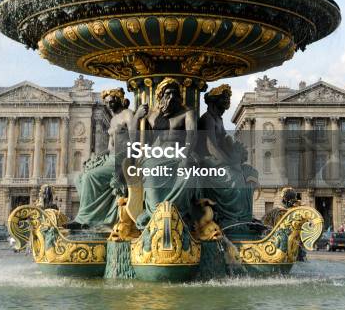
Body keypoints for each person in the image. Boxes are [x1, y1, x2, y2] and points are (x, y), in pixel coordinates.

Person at [74, 88, 147, 228]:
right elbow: (109, 148)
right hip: (110, 157)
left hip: (120, 158)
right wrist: (95, 157)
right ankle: (94, 217)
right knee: (79, 177)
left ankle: (85, 219)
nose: (109, 105)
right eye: (107, 103)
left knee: (90, 177)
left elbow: (134, 140)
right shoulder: (113, 120)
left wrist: (137, 117)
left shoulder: (128, 114)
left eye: (111, 101)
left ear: (119, 100)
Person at [136, 78, 198, 228]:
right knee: (150, 172)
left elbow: (192, 134)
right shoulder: (150, 114)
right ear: (161, 96)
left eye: (175, 94)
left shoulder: (187, 113)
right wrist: (137, 116)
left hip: (179, 152)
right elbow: (137, 138)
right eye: (168, 93)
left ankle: (180, 214)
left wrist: (186, 154)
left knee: (189, 171)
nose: (171, 97)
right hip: (156, 155)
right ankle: (154, 213)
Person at [198, 84, 259, 229]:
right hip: (207, 160)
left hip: (218, 159)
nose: (227, 101)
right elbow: (211, 146)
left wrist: (237, 153)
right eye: (225, 97)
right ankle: (232, 218)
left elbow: (225, 140)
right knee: (234, 177)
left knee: (249, 171)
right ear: (215, 100)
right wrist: (230, 162)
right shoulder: (208, 119)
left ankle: (245, 216)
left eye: (228, 98)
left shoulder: (217, 119)